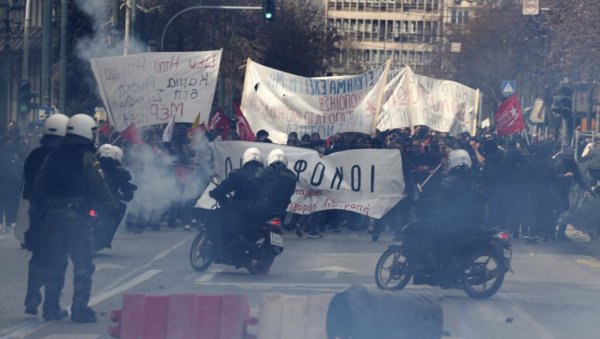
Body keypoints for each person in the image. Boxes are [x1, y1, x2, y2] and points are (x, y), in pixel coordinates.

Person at [31, 114, 122, 322]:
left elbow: (39, 185)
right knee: (83, 263)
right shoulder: (87, 158)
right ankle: (80, 309)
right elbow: (99, 186)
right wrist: (113, 209)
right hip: (75, 215)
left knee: (55, 261)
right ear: (85, 132)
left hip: (52, 215)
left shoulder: (52, 156)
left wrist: (40, 212)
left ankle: (50, 308)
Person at [22, 113, 70, 317]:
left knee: (38, 256)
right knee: (58, 258)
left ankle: (32, 297)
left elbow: (25, 186)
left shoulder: (34, 155)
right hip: (58, 212)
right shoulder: (64, 156)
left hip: (36, 210)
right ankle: (51, 306)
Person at [412, 149, 484, 270]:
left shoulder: (451, 181)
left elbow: (439, 199)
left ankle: (434, 264)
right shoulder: (473, 179)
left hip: (455, 221)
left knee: (429, 232)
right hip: (473, 222)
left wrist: (422, 201)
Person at [208, 147, 269, 246]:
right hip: (262, 210)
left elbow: (222, 189)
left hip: (241, 209)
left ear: (245, 159)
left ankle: (219, 242)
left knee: (216, 214)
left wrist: (214, 193)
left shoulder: (239, 174)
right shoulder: (268, 175)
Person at [94, 144, 136, 250]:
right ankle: (106, 238)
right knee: (120, 209)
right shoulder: (120, 172)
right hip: (106, 201)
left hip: (91, 199)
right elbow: (128, 194)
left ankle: (105, 238)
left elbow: (127, 191)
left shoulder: (93, 166)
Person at [250, 149, 297, 222]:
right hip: (282, 207)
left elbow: (255, 179)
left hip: (263, 205)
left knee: (249, 219)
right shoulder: (291, 174)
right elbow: (291, 191)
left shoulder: (267, 170)